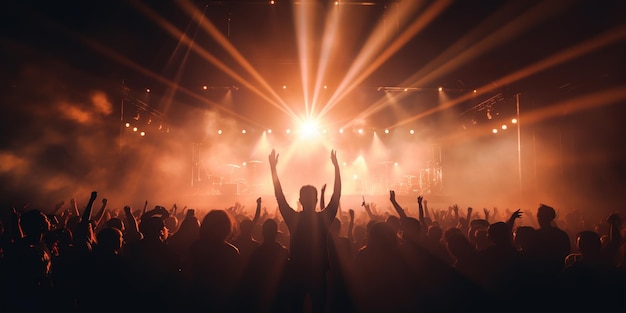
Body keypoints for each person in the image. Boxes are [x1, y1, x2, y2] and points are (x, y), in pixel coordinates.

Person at [268, 149, 341, 313]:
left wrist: (273, 168)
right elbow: (336, 195)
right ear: (316, 200)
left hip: (296, 271)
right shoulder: (324, 219)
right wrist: (336, 167)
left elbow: (279, 195)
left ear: (300, 200)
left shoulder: (293, 219)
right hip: (318, 272)